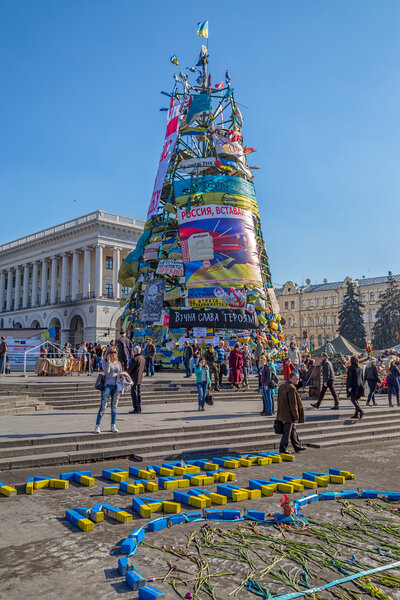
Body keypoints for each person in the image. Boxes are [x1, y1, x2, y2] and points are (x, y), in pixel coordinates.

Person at [94, 348, 123, 433]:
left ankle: (113, 425)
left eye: (114, 352)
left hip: (116, 386)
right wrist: (109, 362)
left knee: (114, 406)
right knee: (103, 406)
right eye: (111, 352)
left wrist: (122, 377)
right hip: (107, 386)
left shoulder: (118, 363)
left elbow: (120, 372)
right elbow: (107, 371)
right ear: (108, 353)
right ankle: (97, 426)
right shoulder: (105, 362)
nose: (113, 354)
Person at [277, 372, 306, 454]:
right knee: (287, 432)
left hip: (283, 412)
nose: (298, 380)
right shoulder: (291, 388)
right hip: (289, 414)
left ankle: (297, 446)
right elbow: (293, 404)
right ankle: (283, 448)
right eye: (297, 379)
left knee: (293, 430)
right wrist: (296, 417)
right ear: (292, 379)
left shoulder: (282, 386)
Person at [127, 345, 146, 414]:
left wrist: (126, 373)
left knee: (134, 393)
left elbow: (130, 369)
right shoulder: (142, 358)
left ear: (134, 351)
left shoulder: (135, 359)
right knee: (138, 393)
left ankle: (136, 408)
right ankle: (139, 407)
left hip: (134, 378)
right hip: (139, 378)